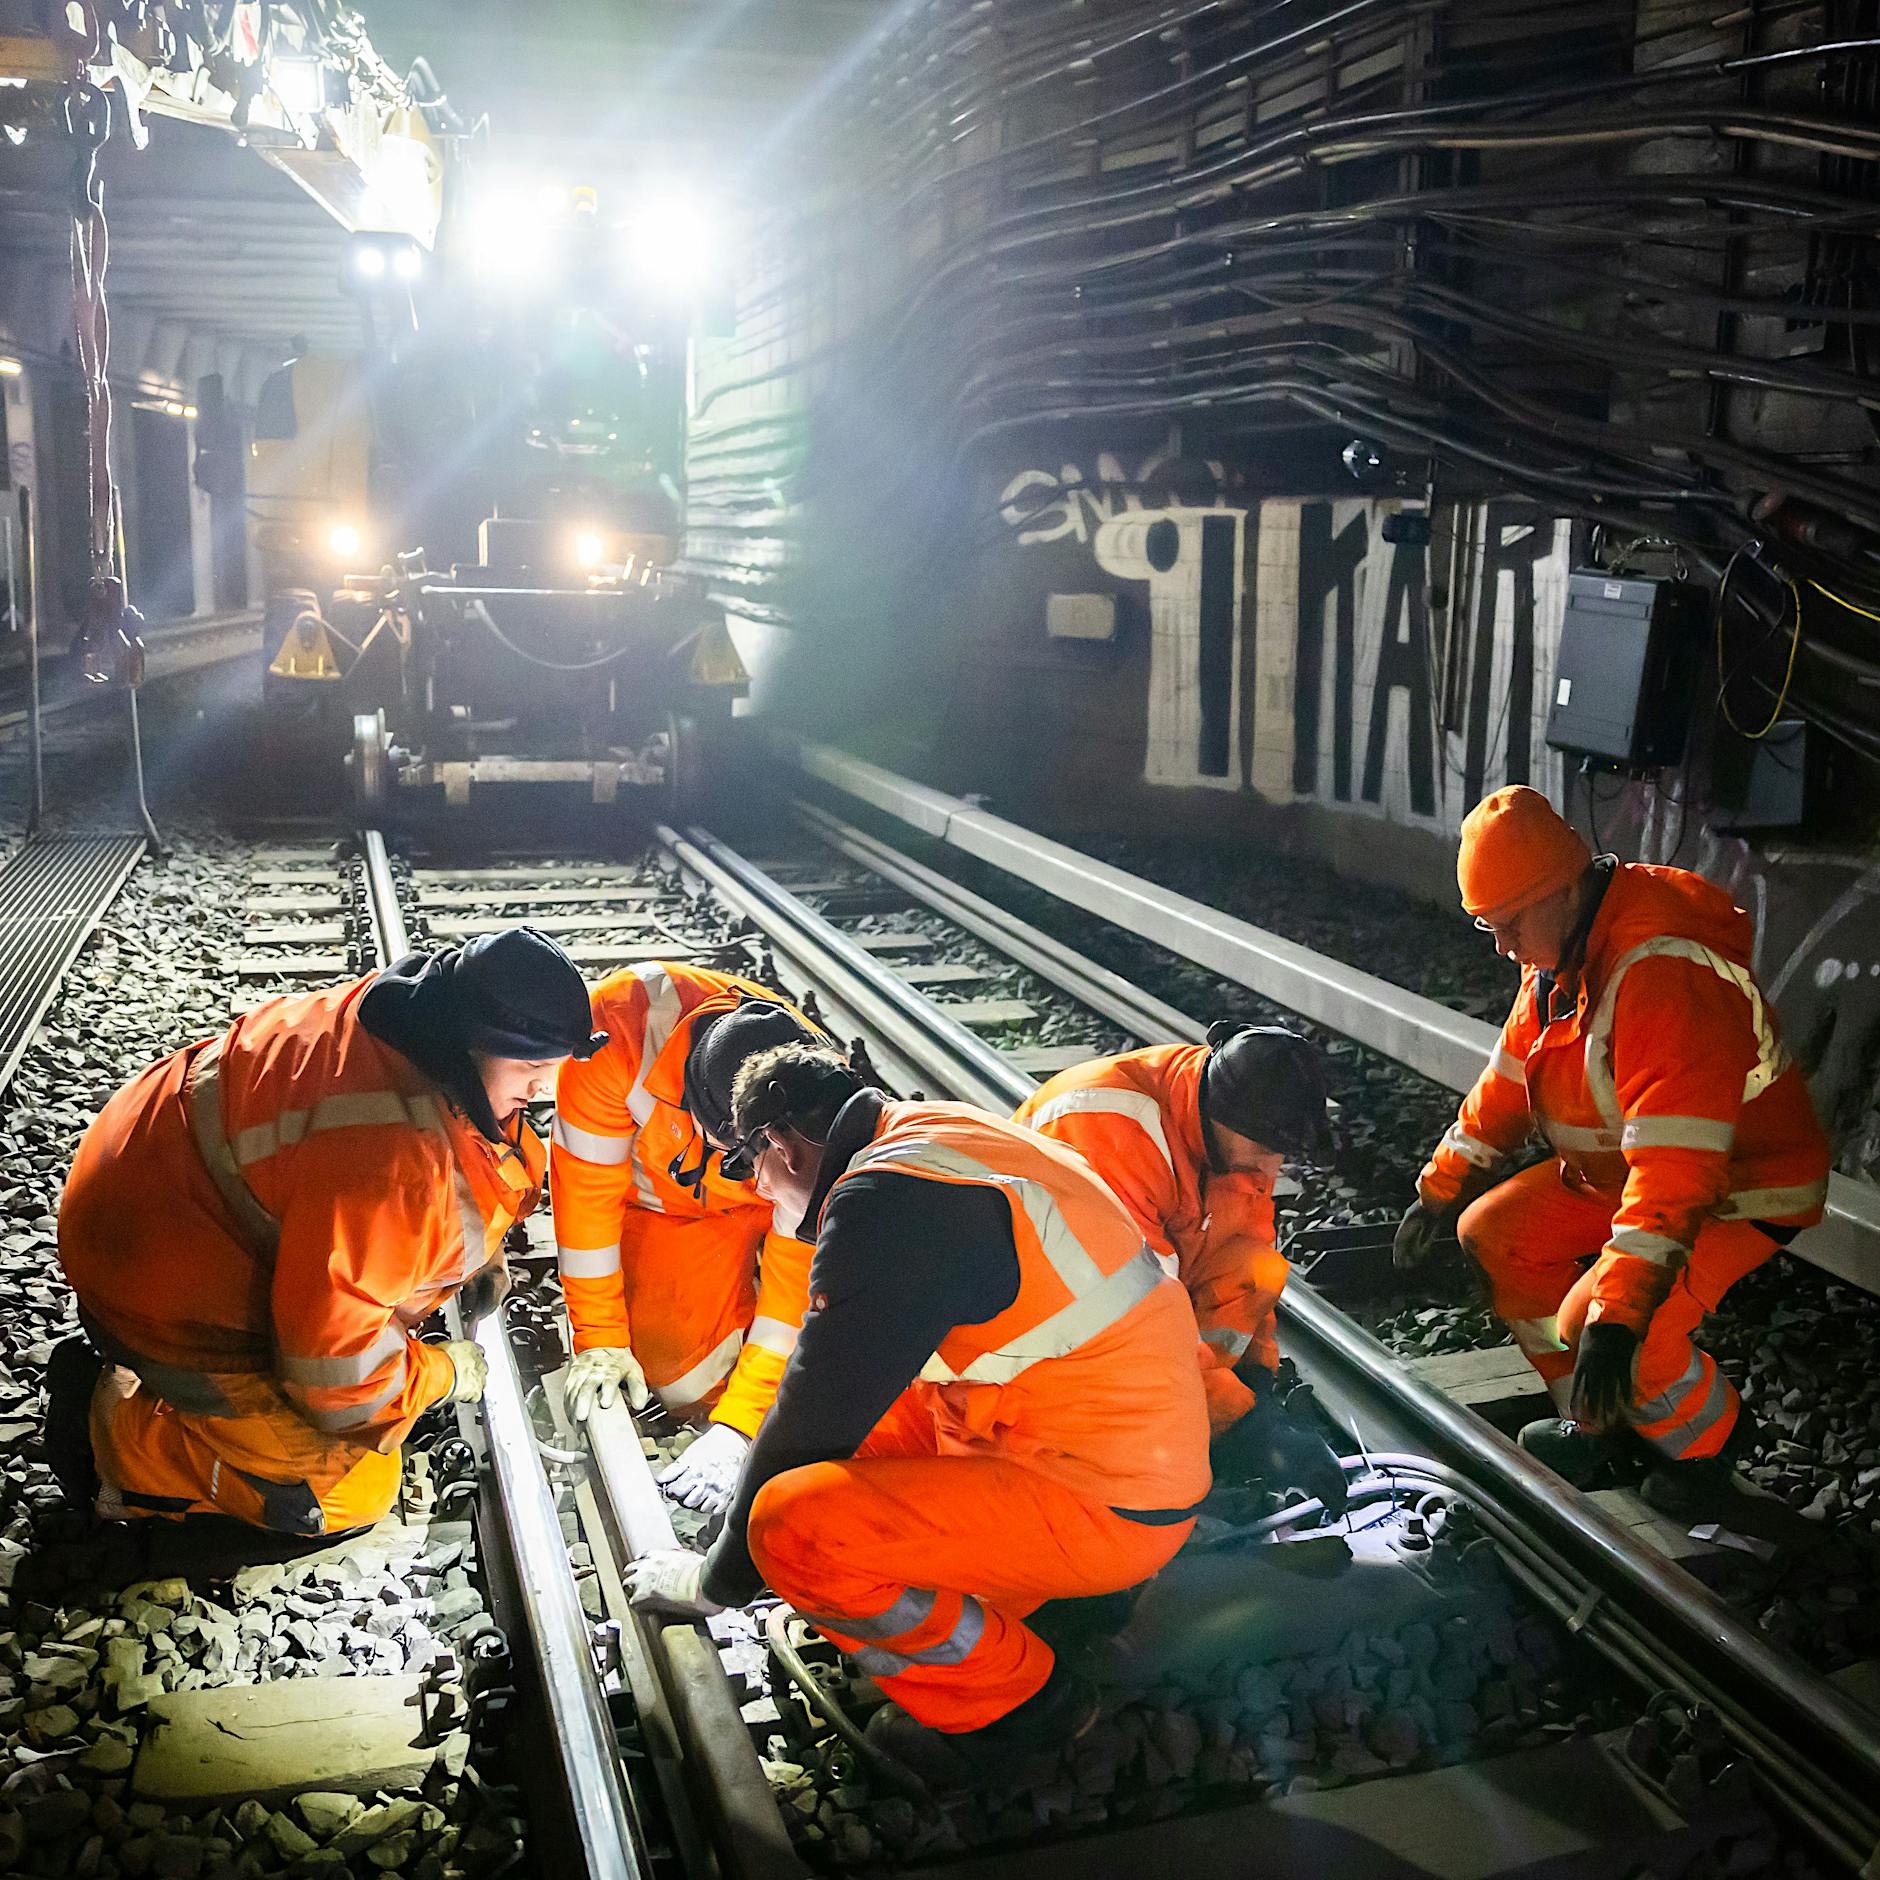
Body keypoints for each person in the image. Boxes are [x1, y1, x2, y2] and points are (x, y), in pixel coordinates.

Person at [624, 1042, 1212, 1776]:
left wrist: (718, 1580)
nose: (760, 1192)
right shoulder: (932, 1136)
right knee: (865, 1431)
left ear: (778, 1143)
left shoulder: (884, 1202)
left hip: (1106, 1505)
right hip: (1096, 1448)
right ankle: (1056, 1612)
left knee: (793, 1530)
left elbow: (815, 1413)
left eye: (749, 1169)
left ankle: (1025, 1707)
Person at [47, 926, 601, 1536]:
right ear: (469, 1047)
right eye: (531, 1065)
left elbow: (467, 1164)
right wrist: (439, 1374)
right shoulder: (390, 1161)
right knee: (344, 1493)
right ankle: (119, 1444)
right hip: (155, 1279)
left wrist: (478, 1253)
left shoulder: (408, 1019)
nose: (545, 1088)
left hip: (145, 1180)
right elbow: (333, 1377)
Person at [1394, 786, 1830, 1512]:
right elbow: (1507, 1079)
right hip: (1629, 1172)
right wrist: (1439, 1187)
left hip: (1738, 1184)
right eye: (1486, 928)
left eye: (1508, 924)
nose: (1502, 947)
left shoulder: (1661, 969)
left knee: (1603, 1323)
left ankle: (1707, 1449)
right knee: (1493, 1235)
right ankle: (1596, 1422)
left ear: (1563, 891)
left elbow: (1677, 1165)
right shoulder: (1557, 956)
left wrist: (1620, 1316)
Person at [1014, 1026, 1347, 1509]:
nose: (1271, 1166)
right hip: (1044, 1318)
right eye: (1263, 1147)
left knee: (1254, 1266)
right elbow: (1139, 1319)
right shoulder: (1110, 1130)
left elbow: (1243, 1253)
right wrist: (1244, 1427)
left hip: (1124, 1291)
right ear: (1221, 1115)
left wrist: (1258, 1382)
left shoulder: (1226, 1122)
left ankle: (1201, 1420)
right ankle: (1148, 1452)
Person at [549, 963, 826, 1514]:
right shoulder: (617, 1032)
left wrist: (743, 1425)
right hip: (672, 1209)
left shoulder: (812, 1101)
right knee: (679, 1379)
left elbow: (799, 1277)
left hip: (774, 1211)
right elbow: (585, 1201)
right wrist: (601, 1338)